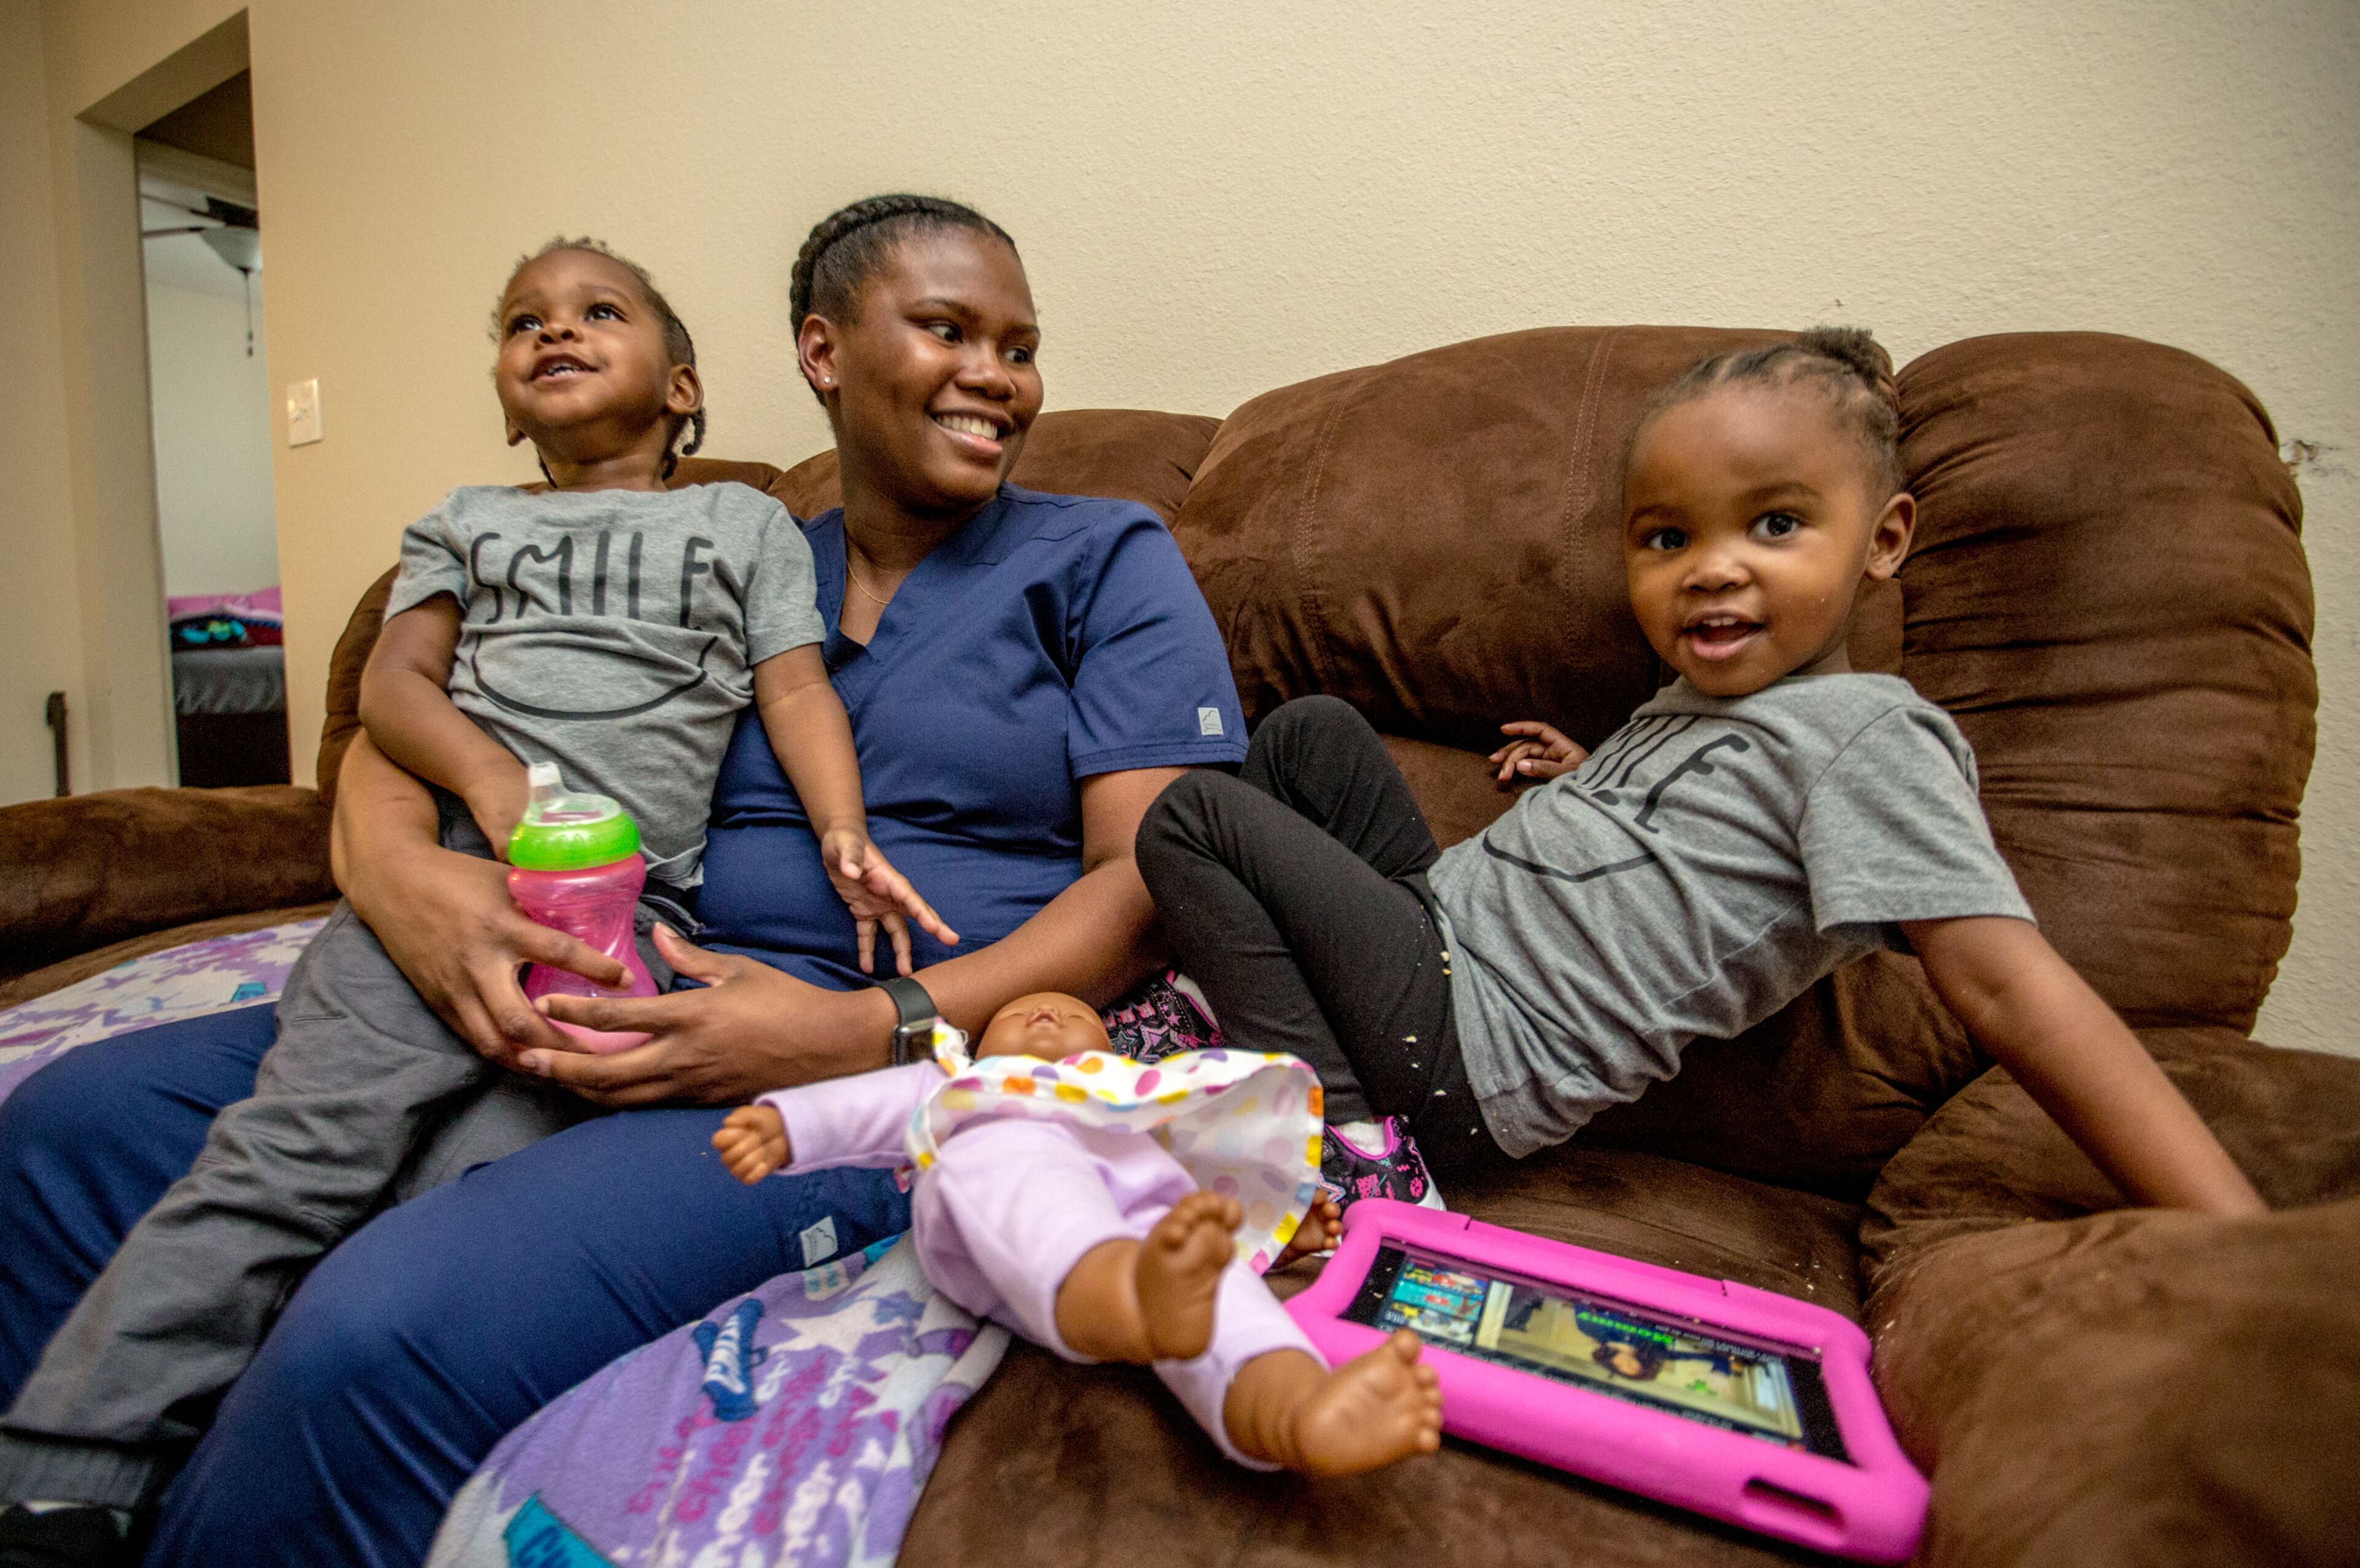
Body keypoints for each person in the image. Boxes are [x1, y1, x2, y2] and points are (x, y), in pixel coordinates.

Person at [0, 195, 1247, 1568]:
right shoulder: (720, 545)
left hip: (874, 1052)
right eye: (948, 329)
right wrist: (413, 883)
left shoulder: (1105, 557)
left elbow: (1149, 877)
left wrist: (851, 1030)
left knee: (385, 1322)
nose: (999, 377)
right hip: (601, 964)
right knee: (73, 1123)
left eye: (1019, 345)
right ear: (822, 353)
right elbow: (406, 724)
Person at [1136, 328, 2266, 1221]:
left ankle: (1344, 1148)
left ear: (1885, 539)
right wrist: (1588, 777)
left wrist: (2222, 1216)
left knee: (1195, 817)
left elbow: (2013, 986)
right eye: (1667, 539)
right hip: (1439, 934)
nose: (1712, 568)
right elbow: (1688, 833)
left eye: (1775, 523)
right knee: (1309, 730)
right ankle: (1230, 1019)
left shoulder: (1865, 738)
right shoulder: (1702, 699)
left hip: (1476, 1048)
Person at [712, 994, 1428, 1476]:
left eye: (1073, 1011)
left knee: (1227, 1294)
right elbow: (868, 1108)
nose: (1045, 1009)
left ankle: (1292, 1410)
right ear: (977, 1045)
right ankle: (1129, 1299)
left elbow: (1211, 1175)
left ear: (1112, 1048)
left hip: (1149, 1228)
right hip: (995, 1200)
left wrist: (1273, 1232)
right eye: (1020, 1011)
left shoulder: (1138, 1094)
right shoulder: (968, 1085)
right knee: (1035, 1185)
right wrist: (789, 1126)